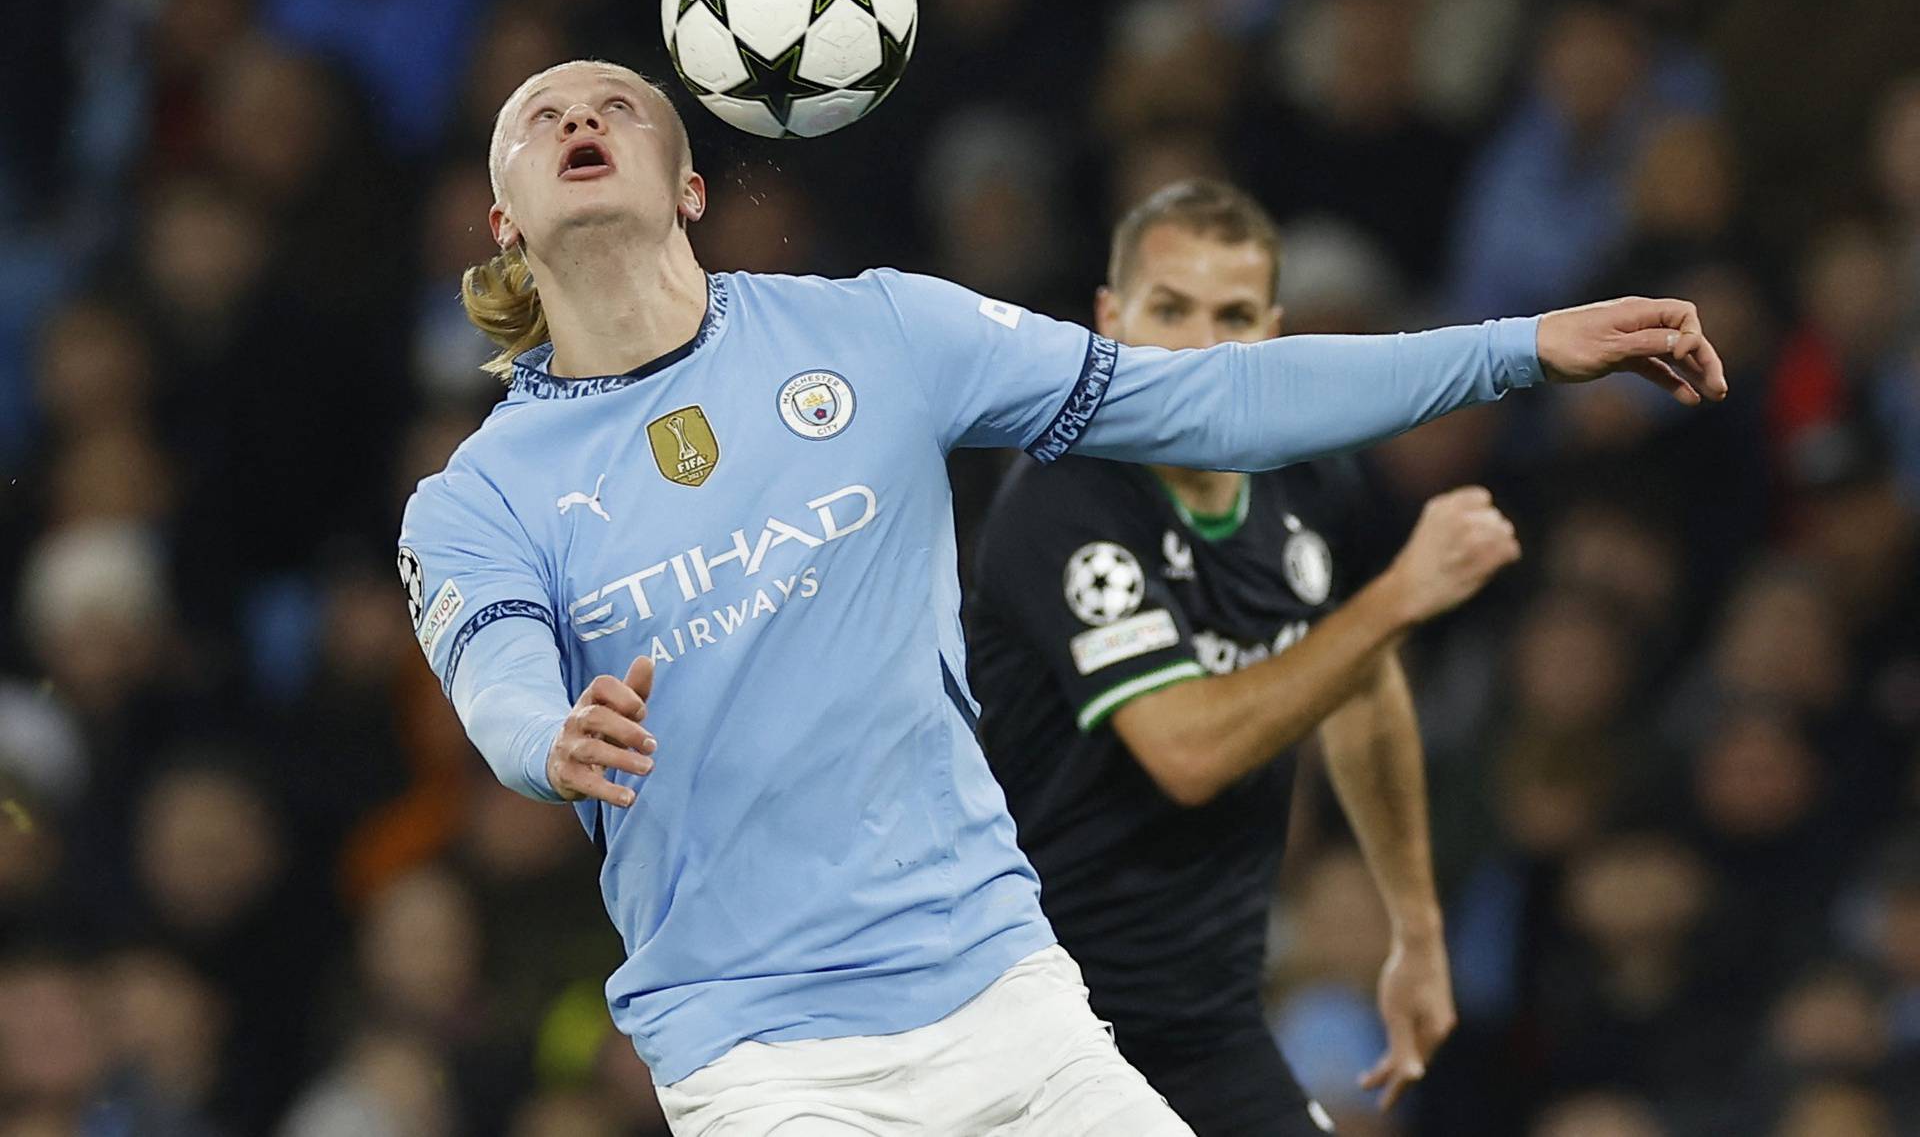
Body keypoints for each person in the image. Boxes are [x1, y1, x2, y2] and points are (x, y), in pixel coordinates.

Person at [396, 58, 1726, 1137]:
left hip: (1006, 999)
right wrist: (547, 738)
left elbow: (1206, 395)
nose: (580, 115)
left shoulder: (880, 334)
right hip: (762, 1056)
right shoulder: (479, 497)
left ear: (690, 185)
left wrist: (1518, 350)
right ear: (504, 217)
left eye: (617, 103)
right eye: (540, 115)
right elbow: (497, 669)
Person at [966, 179, 1517, 1136]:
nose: (1198, 348)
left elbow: (1357, 681)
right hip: (1030, 1034)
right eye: (1169, 310)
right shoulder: (1061, 500)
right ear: (1108, 319)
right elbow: (1188, 753)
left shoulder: (1309, 479)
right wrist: (1398, 595)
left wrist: (1416, 930)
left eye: (1231, 316)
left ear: (1272, 334)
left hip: (1206, 1025)